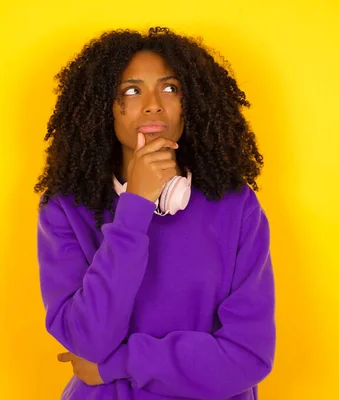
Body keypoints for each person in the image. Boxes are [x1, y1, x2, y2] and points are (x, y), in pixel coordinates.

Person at [35, 26, 276, 400]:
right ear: (104, 107)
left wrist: (117, 365)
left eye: (170, 88)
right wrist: (135, 207)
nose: (152, 104)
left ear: (190, 103)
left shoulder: (236, 206)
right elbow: (88, 339)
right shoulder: (65, 209)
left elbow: (247, 358)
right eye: (131, 91)